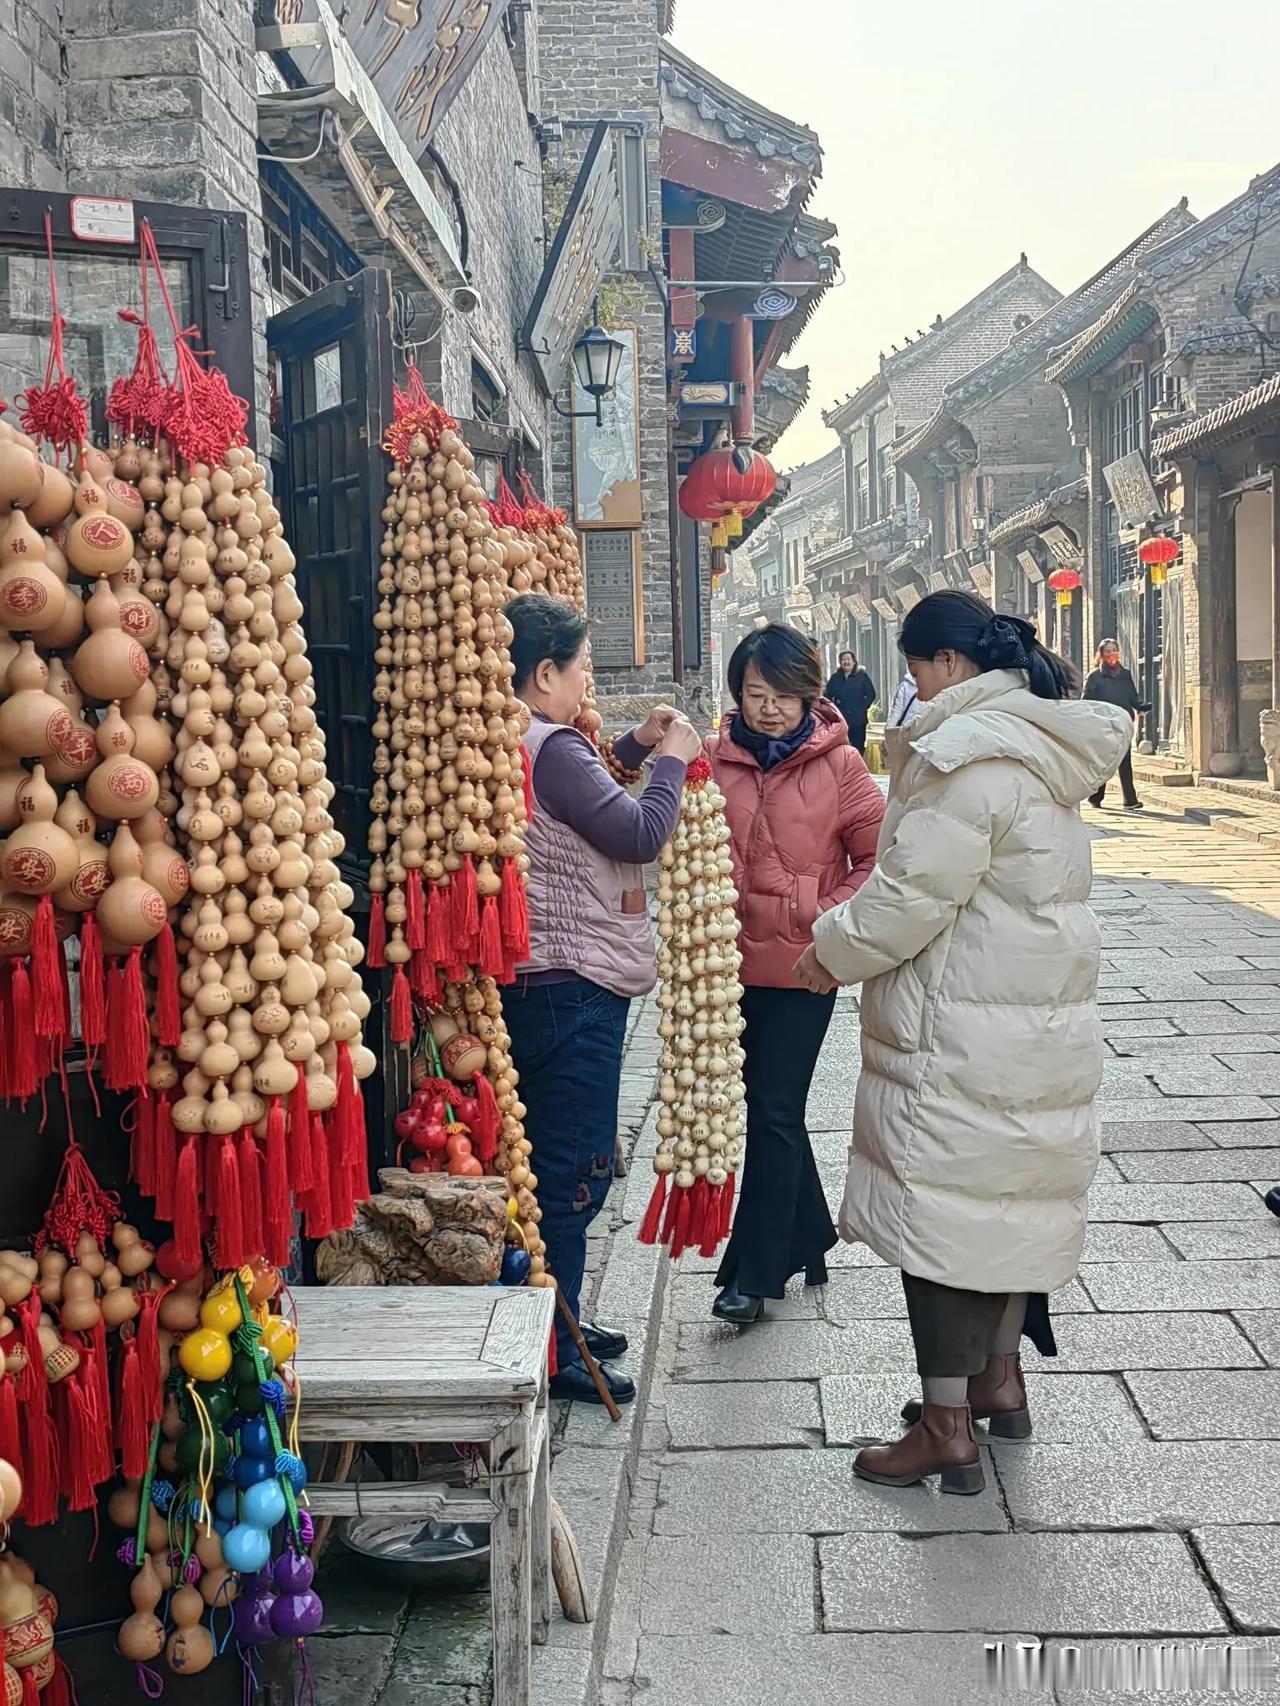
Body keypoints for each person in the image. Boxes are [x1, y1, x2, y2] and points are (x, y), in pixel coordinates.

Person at [793, 591, 1131, 1494]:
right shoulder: (1043, 751)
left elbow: (908, 900)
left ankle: (946, 1425)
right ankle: (999, 1382)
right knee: (1006, 1206)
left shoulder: (963, 760)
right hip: (1034, 1025)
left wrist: (829, 952)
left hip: (962, 1029)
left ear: (947, 666)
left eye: (913, 667)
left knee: (940, 1221)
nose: (908, 685)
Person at [505, 593, 703, 1404]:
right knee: (572, 1171)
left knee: (558, 1162)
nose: (587, 681)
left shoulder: (534, 739)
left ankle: (567, 1319)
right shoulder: (551, 748)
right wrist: (674, 761)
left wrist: (632, 744)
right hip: (573, 984)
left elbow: (581, 795)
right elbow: (634, 834)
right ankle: (556, 1350)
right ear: (543, 672)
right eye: (581, 668)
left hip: (549, 978)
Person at [707, 624, 885, 1322]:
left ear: (810, 694)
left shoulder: (842, 768)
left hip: (806, 969)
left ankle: (754, 1275)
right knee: (768, 1109)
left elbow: (879, 862)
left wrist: (825, 918)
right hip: (727, 968)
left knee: (775, 1109)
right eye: (756, 694)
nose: (770, 709)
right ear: (738, 695)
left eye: (784, 695)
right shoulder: (713, 761)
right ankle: (808, 1234)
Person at [1083, 638, 1148, 810]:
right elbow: (1086, 702)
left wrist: (1140, 705)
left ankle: (1130, 800)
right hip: (1104, 724)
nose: (1112, 654)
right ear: (1102, 654)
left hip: (1123, 722)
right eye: (1108, 651)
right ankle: (1096, 796)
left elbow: (1132, 695)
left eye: (1114, 650)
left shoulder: (1124, 674)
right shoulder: (1094, 676)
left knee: (1125, 761)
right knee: (1105, 762)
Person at [824, 650, 877, 752]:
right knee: (842, 748)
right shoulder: (835, 678)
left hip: (858, 719)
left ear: (853, 662)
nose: (846, 662)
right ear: (840, 662)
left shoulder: (861, 676)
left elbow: (871, 694)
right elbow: (827, 695)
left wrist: (862, 707)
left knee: (858, 747)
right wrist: (834, 708)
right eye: (843, 660)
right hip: (841, 719)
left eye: (848, 659)